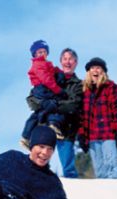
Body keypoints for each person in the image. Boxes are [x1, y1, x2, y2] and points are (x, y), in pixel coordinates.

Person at [28, 47, 83, 178]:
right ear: (61, 61)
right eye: (65, 59)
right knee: (39, 165)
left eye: (71, 59)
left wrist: (53, 105)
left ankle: (75, 192)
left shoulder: (78, 84)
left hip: (66, 130)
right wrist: (43, 103)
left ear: (75, 63)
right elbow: (32, 99)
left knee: (68, 167)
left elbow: (73, 105)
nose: (67, 62)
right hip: (46, 129)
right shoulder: (49, 77)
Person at [77, 57, 117, 179]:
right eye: (92, 68)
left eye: (98, 68)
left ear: (103, 71)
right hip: (92, 136)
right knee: (100, 172)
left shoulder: (111, 87)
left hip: (108, 134)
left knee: (112, 168)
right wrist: (81, 135)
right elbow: (81, 116)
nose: (95, 70)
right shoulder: (84, 90)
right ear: (89, 72)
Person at [20, 40, 66, 149]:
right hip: (42, 90)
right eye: (39, 52)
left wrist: (60, 72)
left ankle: (26, 137)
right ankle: (53, 125)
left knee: (38, 113)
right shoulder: (38, 65)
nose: (42, 54)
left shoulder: (46, 64)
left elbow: (53, 70)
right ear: (35, 54)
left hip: (43, 89)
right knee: (53, 105)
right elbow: (46, 79)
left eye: (44, 51)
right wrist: (58, 90)